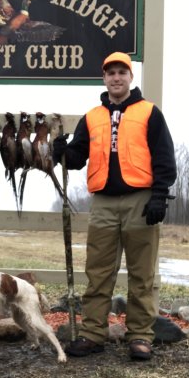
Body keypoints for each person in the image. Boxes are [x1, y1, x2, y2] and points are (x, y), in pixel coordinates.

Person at [53, 52, 176, 361]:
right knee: (98, 272)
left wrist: (159, 195)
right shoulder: (92, 117)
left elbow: (164, 157)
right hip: (104, 204)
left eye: (122, 72)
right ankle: (93, 333)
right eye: (111, 72)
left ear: (130, 76)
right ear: (104, 77)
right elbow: (77, 159)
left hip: (141, 201)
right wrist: (62, 151)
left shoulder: (149, 113)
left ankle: (140, 336)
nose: (116, 77)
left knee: (142, 274)